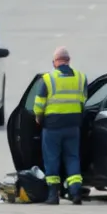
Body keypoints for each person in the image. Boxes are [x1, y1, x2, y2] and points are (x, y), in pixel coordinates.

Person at [32, 47, 88, 205]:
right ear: (68, 60)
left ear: (55, 62)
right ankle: (76, 193)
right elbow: (83, 101)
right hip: (73, 125)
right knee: (72, 157)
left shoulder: (48, 79)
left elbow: (38, 105)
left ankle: (53, 195)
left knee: (52, 159)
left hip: (52, 126)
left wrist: (38, 118)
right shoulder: (80, 78)